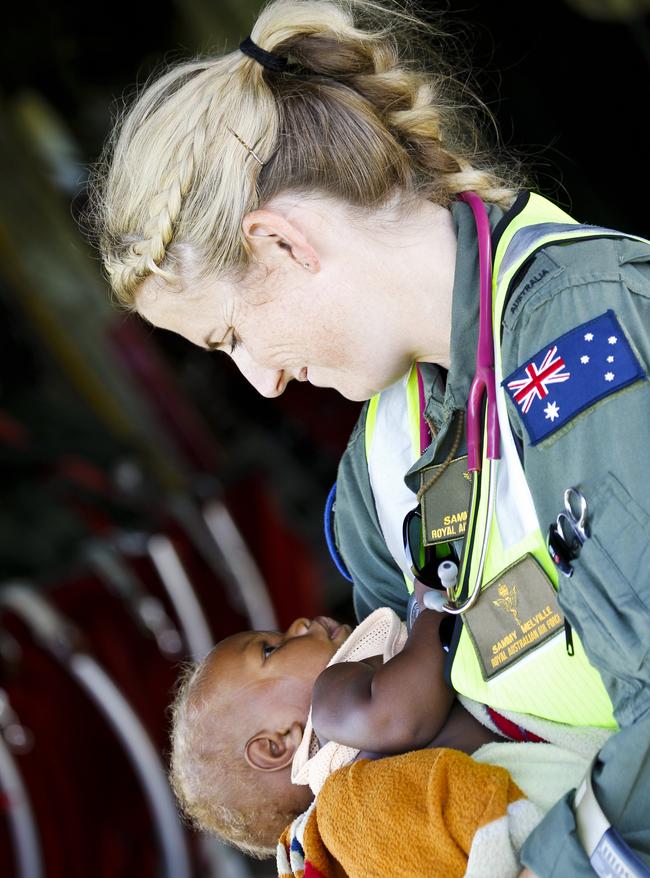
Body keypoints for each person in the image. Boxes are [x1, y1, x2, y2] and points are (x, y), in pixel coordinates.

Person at [87, 0, 650, 874]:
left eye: (230, 336)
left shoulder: (594, 323)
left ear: (279, 243)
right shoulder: (382, 467)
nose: (263, 381)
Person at [169, 604, 604, 873]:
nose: (298, 624)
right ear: (277, 743)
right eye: (271, 649)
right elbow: (402, 716)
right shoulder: (332, 705)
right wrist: (434, 598)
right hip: (538, 787)